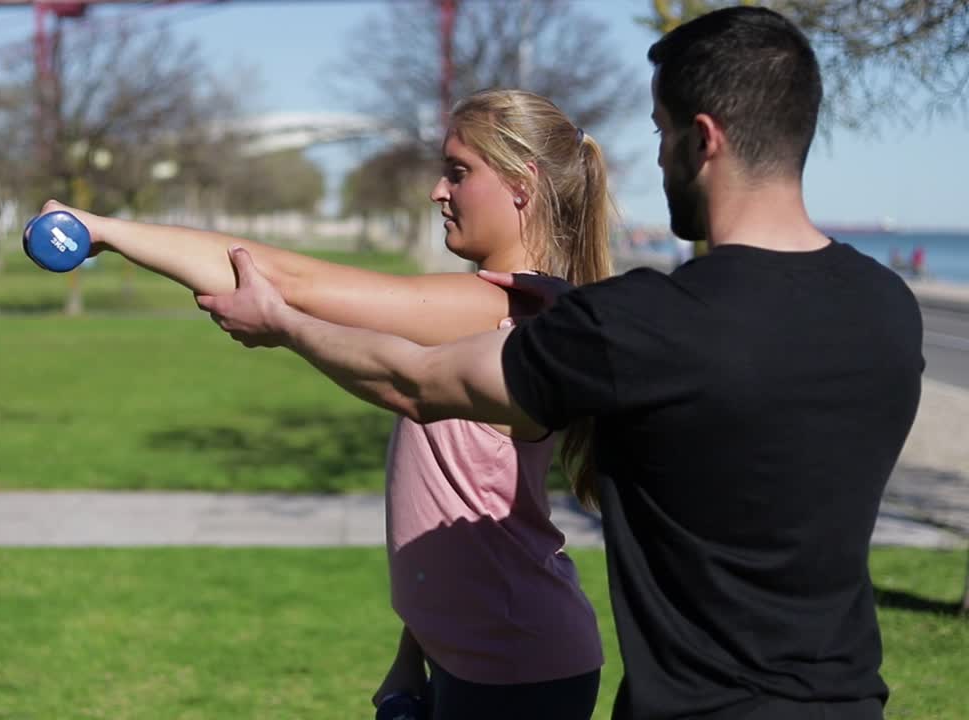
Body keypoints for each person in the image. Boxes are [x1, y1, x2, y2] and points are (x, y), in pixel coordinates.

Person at [196, 7, 924, 720]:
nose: (660, 157)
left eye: (662, 134)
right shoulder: (888, 309)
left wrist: (283, 324)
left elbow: (418, 383)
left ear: (702, 141)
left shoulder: (650, 323)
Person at [40, 89, 610, 719]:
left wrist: (103, 230)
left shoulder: (510, 309)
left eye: (458, 171)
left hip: (514, 668)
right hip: (472, 655)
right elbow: (465, 512)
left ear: (522, 184)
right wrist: (412, 653)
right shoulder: (484, 305)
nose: (436, 192)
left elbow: (292, 284)